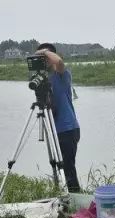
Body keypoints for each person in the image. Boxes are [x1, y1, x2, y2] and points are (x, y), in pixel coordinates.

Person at [35, 43, 81, 192]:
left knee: (67, 167)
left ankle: (74, 198)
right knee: (55, 165)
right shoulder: (43, 78)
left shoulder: (62, 74)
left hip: (67, 128)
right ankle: (61, 194)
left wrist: (45, 52)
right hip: (53, 129)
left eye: (43, 58)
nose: (41, 61)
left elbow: (59, 62)